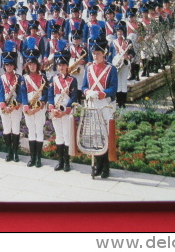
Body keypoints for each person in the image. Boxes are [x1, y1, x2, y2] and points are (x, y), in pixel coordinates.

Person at [82, 36, 118, 178]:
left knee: (105, 135)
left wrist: (102, 94)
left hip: (105, 105)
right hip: (92, 104)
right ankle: (97, 165)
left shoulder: (111, 69)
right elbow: (84, 86)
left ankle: (106, 167)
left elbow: (114, 88)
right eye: (94, 53)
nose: (95, 55)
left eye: (98, 53)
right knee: (95, 136)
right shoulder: (88, 68)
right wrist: (87, 92)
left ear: (104, 53)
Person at [47, 42, 78, 172]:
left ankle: (67, 162)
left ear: (67, 66)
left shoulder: (72, 80)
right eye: (59, 65)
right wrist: (52, 108)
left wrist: (65, 110)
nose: (61, 67)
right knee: (59, 135)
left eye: (63, 65)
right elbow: (49, 95)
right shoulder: (53, 79)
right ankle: (60, 161)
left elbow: (74, 97)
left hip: (65, 110)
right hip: (55, 110)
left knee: (66, 135)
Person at [20, 37, 48, 168]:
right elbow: (23, 93)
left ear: (37, 64)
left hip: (40, 106)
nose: (32, 66)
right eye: (29, 64)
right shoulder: (24, 78)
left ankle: (39, 158)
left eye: (34, 64)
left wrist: (40, 105)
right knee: (31, 130)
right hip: (28, 106)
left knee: (39, 130)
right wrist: (26, 106)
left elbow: (46, 93)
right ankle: (32, 157)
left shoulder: (43, 77)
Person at [0, 40, 23, 162]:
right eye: (7, 65)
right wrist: (3, 105)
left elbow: (21, 93)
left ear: (14, 66)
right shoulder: (0, 78)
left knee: (16, 129)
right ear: (4, 66)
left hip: (15, 106)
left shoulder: (19, 77)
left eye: (11, 65)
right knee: (7, 129)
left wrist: (15, 105)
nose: (9, 67)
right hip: (4, 107)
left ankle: (16, 152)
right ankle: (9, 151)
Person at [109, 23, 134, 108]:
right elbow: (110, 54)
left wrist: (128, 57)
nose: (119, 33)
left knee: (123, 81)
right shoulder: (113, 42)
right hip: (116, 62)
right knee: (118, 82)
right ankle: (119, 101)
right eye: (118, 31)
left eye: (120, 31)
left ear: (123, 32)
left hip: (125, 62)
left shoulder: (128, 41)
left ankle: (123, 102)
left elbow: (132, 53)